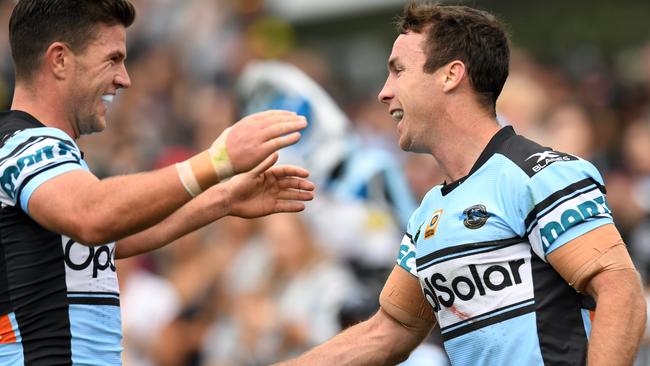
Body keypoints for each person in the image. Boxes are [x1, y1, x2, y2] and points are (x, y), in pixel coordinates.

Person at [277, 2, 646, 366]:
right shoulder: (429, 210)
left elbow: (620, 290)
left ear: (451, 75)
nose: (384, 92)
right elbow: (388, 330)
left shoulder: (537, 173)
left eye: (398, 71)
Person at [0, 1, 314, 365]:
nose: (124, 78)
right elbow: (92, 215)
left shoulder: (44, 157)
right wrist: (218, 161)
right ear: (59, 60)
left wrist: (224, 198)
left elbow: (108, 238)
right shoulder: (22, 146)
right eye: (113, 59)